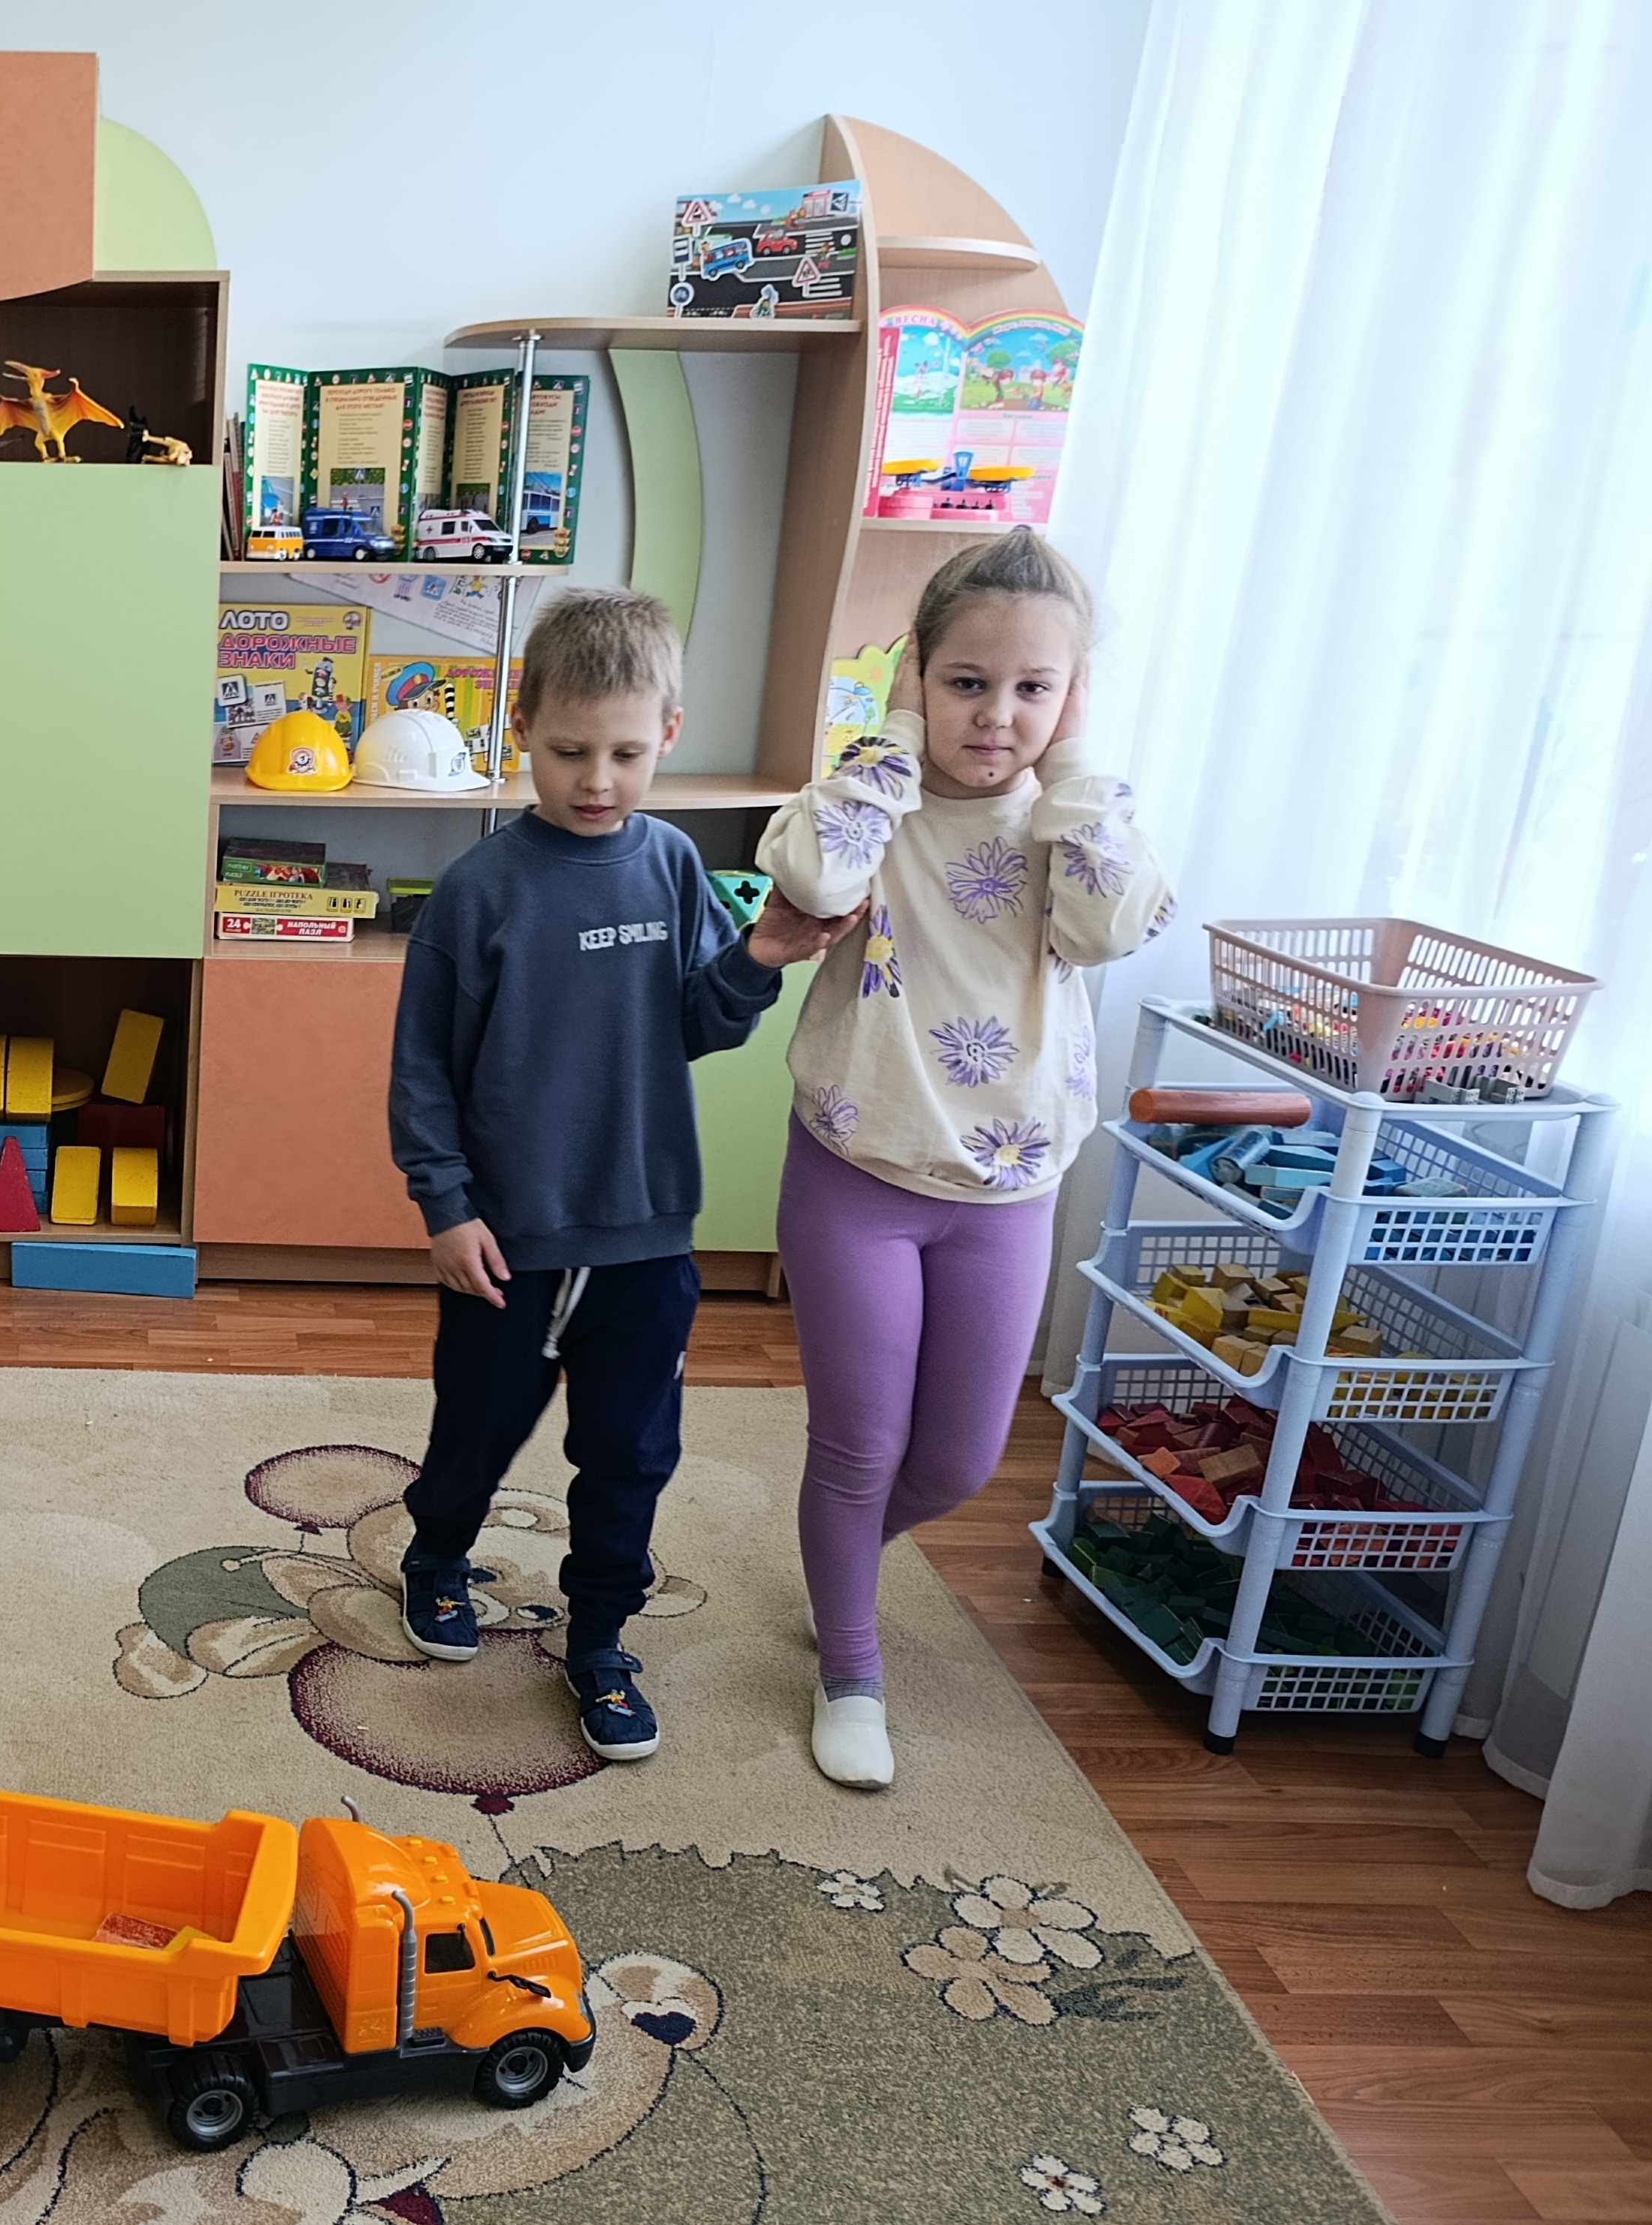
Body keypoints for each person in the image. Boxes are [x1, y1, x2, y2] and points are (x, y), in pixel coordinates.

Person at [387, 588, 859, 1767]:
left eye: (628, 754)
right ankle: (436, 1556)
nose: (597, 780)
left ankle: (599, 1639)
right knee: (475, 1434)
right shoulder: (478, 892)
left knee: (632, 1458)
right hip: (507, 1241)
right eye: (569, 752)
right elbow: (423, 1068)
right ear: (521, 727)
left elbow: (696, 1024)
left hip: (647, 1240)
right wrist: (445, 1205)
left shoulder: (672, 867)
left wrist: (759, 957)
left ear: (670, 733)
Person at [755, 527, 1172, 1792]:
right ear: (918, 678)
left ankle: (836, 1567)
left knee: (958, 1462)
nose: (997, 715)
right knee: (858, 1447)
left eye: (1034, 687)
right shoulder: (873, 805)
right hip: (858, 1170)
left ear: (1074, 694)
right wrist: (887, 741)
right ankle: (852, 1665)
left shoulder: (1075, 819)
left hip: (1008, 1187)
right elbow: (809, 869)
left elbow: (1113, 926)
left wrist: (1073, 763)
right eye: (966, 682)